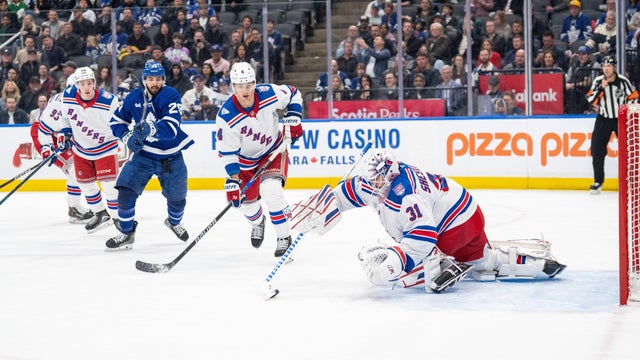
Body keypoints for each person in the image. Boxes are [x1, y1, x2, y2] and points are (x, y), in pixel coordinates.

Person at [289, 149, 567, 294]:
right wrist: (321, 208)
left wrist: (395, 261)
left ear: (387, 176)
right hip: (469, 214)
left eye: (374, 179)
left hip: (452, 227)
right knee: (482, 263)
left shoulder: (403, 194)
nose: (369, 183)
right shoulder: (380, 180)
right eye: (368, 178)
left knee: (415, 273)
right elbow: (348, 193)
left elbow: (423, 236)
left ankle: (440, 266)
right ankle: (533, 263)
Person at [216, 62, 303, 257]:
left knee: (271, 191)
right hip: (245, 164)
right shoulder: (226, 116)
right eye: (240, 85)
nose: (245, 90)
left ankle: (283, 237)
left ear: (255, 83)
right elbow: (228, 152)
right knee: (245, 205)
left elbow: (293, 93)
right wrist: (233, 179)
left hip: (273, 151)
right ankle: (257, 222)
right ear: (233, 86)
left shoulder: (268, 93)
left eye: (248, 84)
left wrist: (295, 115)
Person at [106, 61, 195, 251]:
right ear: (144, 80)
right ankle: (126, 232)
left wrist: (149, 128)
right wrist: (127, 136)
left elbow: (172, 127)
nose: (155, 83)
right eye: (150, 79)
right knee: (125, 193)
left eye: (158, 79)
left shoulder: (170, 95)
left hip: (171, 156)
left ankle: (174, 222)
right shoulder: (133, 98)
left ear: (163, 79)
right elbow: (116, 121)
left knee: (177, 198)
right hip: (144, 155)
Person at [37, 67, 120, 233]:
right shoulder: (62, 101)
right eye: (79, 85)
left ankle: (118, 217)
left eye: (88, 83)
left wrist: (67, 133)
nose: (84, 88)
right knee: (79, 175)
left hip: (88, 142)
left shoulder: (105, 100)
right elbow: (43, 129)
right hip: (51, 135)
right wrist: (47, 148)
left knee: (104, 183)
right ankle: (79, 209)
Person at [31, 77, 93, 223]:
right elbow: (43, 130)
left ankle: (75, 207)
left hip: (59, 135)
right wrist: (47, 149)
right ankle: (74, 210)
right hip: (45, 135)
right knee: (74, 168)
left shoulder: (79, 100)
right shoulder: (59, 104)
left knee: (77, 167)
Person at [586, 56, 639, 194]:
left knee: (628, 150)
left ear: (614, 67)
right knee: (596, 149)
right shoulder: (598, 81)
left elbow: (634, 97)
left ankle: (632, 180)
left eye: (609, 66)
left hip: (621, 119)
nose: (606, 68)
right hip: (603, 118)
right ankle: (598, 181)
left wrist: (627, 112)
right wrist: (602, 89)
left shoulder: (623, 81)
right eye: (604, 66)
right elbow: (592, 100)